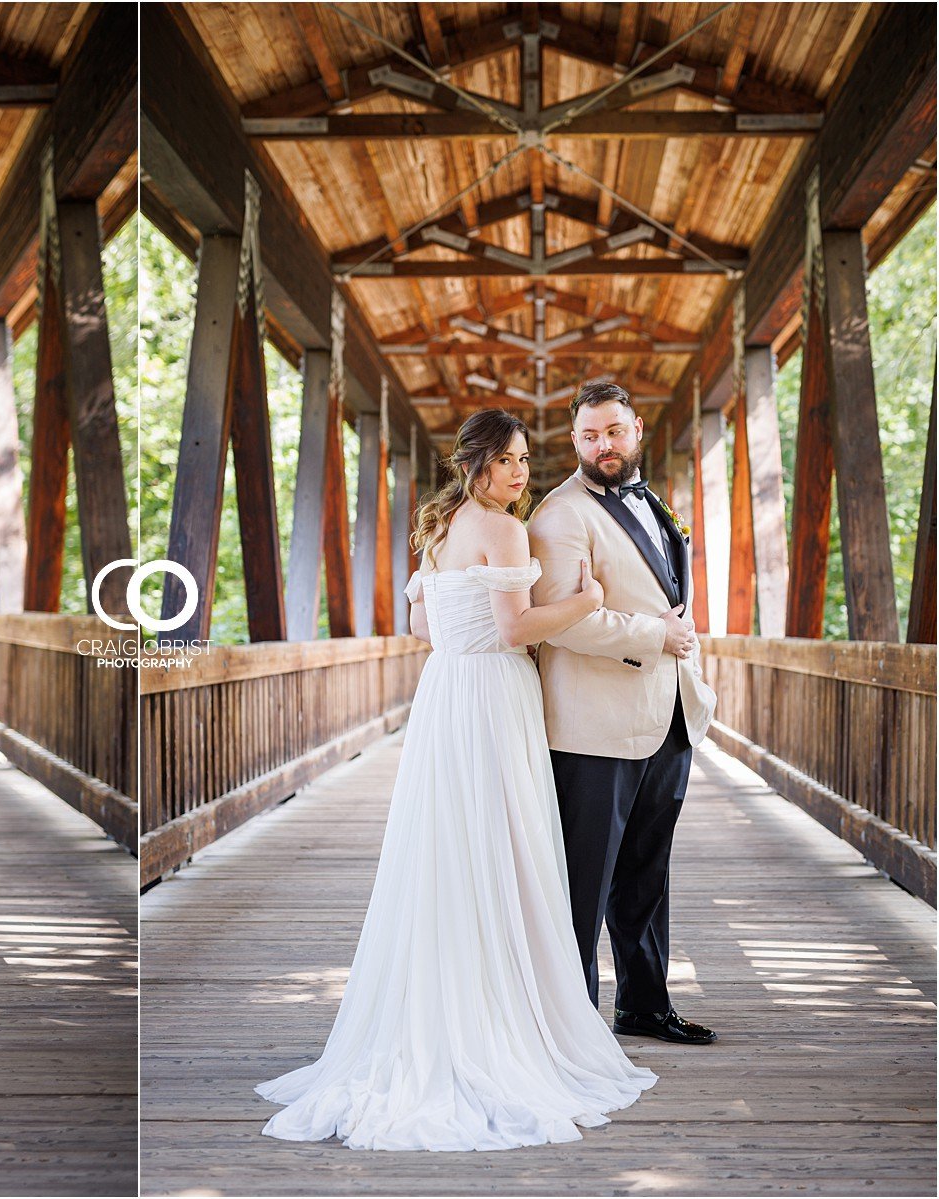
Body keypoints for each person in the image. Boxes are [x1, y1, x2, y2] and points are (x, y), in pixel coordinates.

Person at [257, 408, 656, 1152]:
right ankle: (497, 1018)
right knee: (500, 845)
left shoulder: (439, 528)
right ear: (475, 463)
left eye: (524, 460)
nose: (519, 472)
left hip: (446, 695)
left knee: (445, 850)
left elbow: (423, 632)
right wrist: (587, 602)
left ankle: (438, 1004)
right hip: (494, 696)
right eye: (506, 460)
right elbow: (514, 630)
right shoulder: (503, 529)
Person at [528, 380, 719, 1044]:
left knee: (647, 870)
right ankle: (572, 1019)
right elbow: (562, 623)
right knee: (586, 880)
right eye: (588, 435)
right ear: (574, 440)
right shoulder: (559, 515)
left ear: (635, 429)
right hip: (593, 726)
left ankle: (643, 1002)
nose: (602, 444)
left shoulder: (652, 501)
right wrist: (653, 635)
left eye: (612, 431)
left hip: (666, 717)